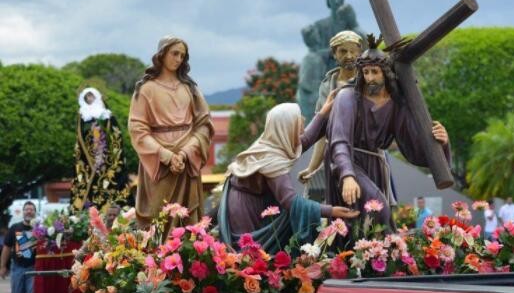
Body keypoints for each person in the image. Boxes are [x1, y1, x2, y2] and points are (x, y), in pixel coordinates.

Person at [325, 34, 450, 231]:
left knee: (375, 218)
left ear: (386, 73)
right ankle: (364, 255)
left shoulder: (396, 105)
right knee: (377, 208)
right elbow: (339, 141)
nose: (370, 78)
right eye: (365, 72)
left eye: (375, 72)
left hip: (375, 163)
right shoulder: (348, 97)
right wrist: (347, 175)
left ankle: (375, 256)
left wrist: (441, 143)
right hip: (348, 160)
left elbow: (412, 146)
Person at [218, 99, 359, 253]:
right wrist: (331, 211)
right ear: (285, 127)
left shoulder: (272, 143)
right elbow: (291, 202)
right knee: (254, 256)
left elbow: (303, 142)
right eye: (298, 119)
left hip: (251, 205)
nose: (303, 121)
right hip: (247, 215)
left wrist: (323, 113)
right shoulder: (271, 159)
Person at [129, 36, 214, 228]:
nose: (178, 59)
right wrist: (166, 155)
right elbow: (138, 129)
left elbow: (204, 125)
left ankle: (189, 255)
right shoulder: (146, 89)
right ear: (162, 54)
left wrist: (185, 153)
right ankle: (158, 258)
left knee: (188, 219)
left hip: (187, 160)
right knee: (159, 217)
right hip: (159, 163)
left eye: (182, 56)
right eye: (174, 53)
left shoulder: (190, 89)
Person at [299, 30, 364, 201]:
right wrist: (312, 167)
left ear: (360, 52)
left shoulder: (369, 80)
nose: (349, 55)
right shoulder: (328, 85)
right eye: (343, 51)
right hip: (336, 155)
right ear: (335, 54)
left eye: (353, 51)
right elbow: (322, 132)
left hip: (366, 154)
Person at [70, 87, 131, 211]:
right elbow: (79, 138)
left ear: (97, 97)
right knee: (86, 186)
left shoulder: (106, 115)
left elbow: (116, 135)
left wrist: (107, 155)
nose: (89, 99)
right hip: (88, 161)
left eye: (91, 96)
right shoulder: (82, 117)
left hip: (106, 159)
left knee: (110, 185)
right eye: (87, 97)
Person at [0, 201, 38, 293]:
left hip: (33, 268)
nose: (29, 211)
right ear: (23, 212)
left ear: (35, 212)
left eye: (31, 209)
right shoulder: (15, 228)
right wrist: (3, 266)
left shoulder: (39, 229)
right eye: (26, 209)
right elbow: (6, 248)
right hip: (17, 268)